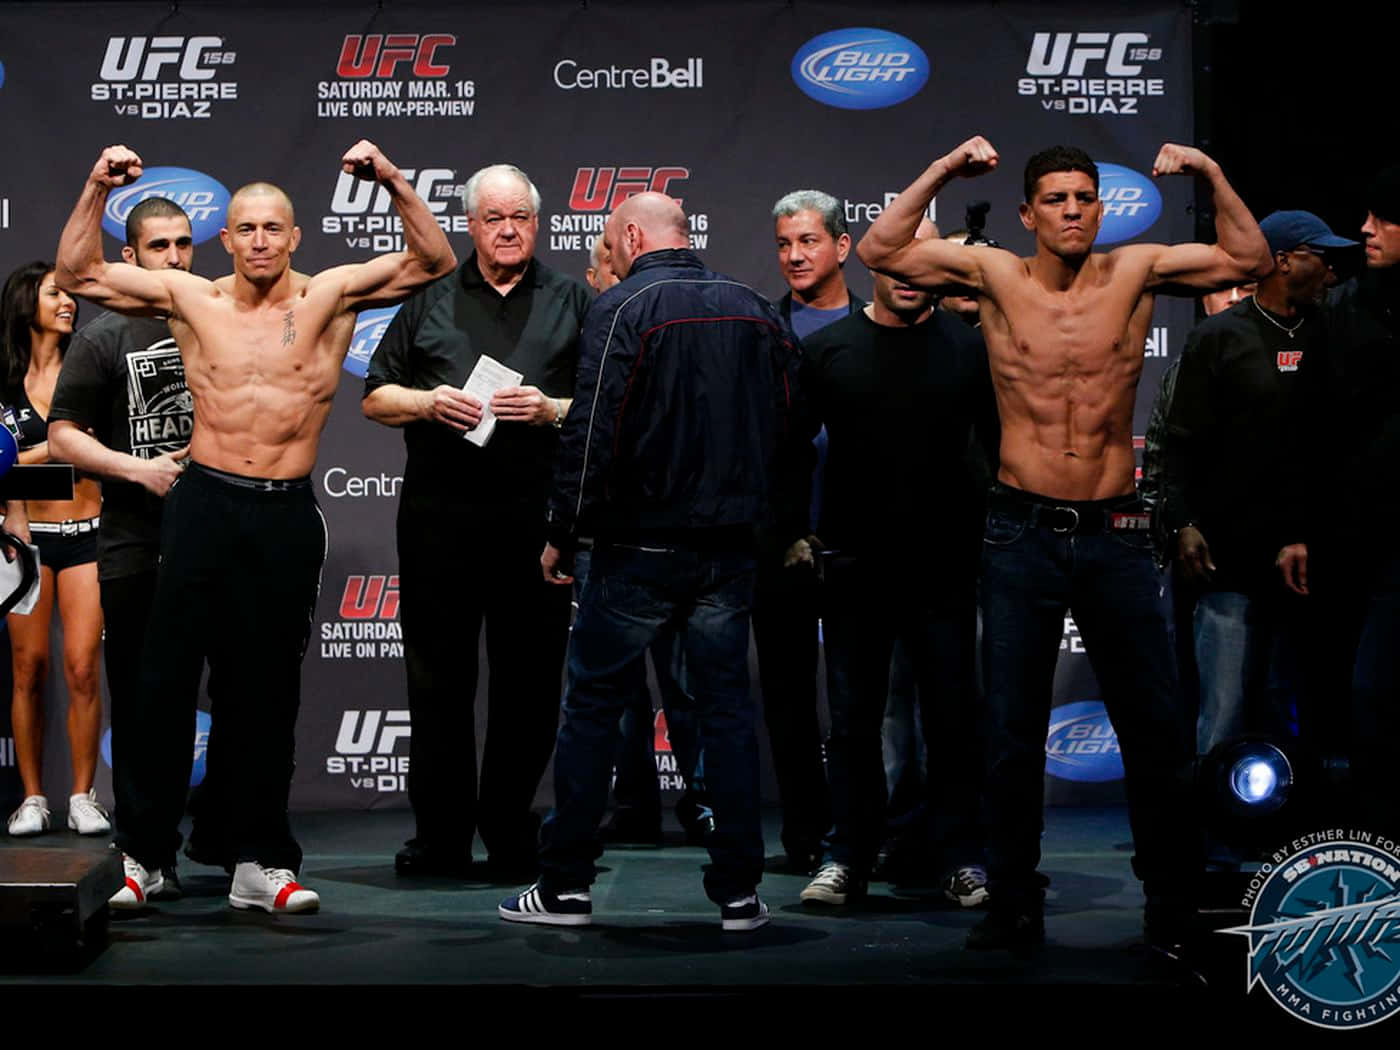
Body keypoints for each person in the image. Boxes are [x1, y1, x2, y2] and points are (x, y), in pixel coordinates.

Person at [859, 136, 1271, 951]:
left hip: (1116, 531)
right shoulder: (996, 275)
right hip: (1020, 530)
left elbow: (1246, 257)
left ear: (1101, 207)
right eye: (1056, 198)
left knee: (1152, 727)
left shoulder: (1137, 269)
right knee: (1010, 729)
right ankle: (1014, 893)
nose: (1075, 210)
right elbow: (882, 249)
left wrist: (1212, 172)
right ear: (1027, 213)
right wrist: (943, 167)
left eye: (1086, 197)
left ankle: (1169, 898)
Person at [55, 140, 456, 912]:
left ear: (295, 236)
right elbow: (81, 273)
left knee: (265, 694)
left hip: (283, 514)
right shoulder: (193, 300)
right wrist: (94, 184)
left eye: (275, 228)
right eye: (247, 229)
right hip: (203, 504)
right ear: (228, 239)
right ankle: (144, 856)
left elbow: (432, 260)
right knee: (165, 684)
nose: (262, 241)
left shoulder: (331, 295)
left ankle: (258, 861)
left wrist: (394, 179)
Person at [498, 192, 801, 930]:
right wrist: (772, 527)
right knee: (726, 715)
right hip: (730, 551)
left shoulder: (624, 307)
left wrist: (562, 532)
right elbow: (791, 435)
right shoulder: (759, 308)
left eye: (609, 240)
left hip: (637, 549)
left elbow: (593, 431)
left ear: (632, 236)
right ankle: (738, 892)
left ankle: (565, 885)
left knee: (594, 711)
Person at [363, 164, 587, 880]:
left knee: (530, 684)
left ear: (538, 222)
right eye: (494, 218)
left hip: (538, 524)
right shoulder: (427, 300)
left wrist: (549, 409)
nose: (509, 229)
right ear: (470, 225)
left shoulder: (573, 301)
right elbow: (374, 396)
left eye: (520, 216)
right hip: (440, 520)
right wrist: (430, 403)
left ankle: (510, 827)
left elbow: (610, 407)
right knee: (437, 684)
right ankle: (441, 837)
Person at [790, 218, 996, 909]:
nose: (910, 275)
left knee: (951, 718)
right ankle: (846, 855)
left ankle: (961, 857)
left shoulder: (970, 351)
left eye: (924, 262)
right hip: (855, 568)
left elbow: (998, 452)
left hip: (945, 566)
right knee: (852, 721)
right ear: (873, 264)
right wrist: (792, 531)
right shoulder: (827, 350)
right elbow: (785, 450)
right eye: (897, 262)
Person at [47, 198, 235, 901]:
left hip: (221, 542)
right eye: (159, 246)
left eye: (185, 244)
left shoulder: (219, 320)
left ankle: (222, 835)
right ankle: (144, 854)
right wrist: (138, 470)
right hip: (135, 543)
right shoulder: (103, 338)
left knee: (247, 699)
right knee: (145, 703)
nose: (175, 258)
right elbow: (63, 433)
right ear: (130, 258)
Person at [1164, 211, 1351, 759]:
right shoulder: (1219, 337)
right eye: (1323, 258)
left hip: (1310, 560)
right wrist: (1184, 521)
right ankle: (1218, 839)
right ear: (1286, 261)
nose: (1333, 275)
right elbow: (1180, 439)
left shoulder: (1332, 335)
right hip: (1230, 560)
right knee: (1222, 710)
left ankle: (1295, 835)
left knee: (1294, 708)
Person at [580, 233, 706, 846]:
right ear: (595, 275)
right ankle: (630, 801)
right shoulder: (593, 330)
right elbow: (586, 433)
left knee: (684, 680)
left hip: (672, 531)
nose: (616, 277)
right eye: (606, 270)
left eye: (619, 264)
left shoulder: (669, 329)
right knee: (618, 689)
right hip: (607, 535)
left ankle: (703, 799)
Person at [1286, 165, 1400, 839]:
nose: (1365, 229)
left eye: (1382, 218)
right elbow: (1310, 431)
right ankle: (1381, 858)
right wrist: (1300, 528)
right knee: (1369, 699)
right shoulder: (1344, 310)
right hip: (1368, 547)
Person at [759, 189, 865, 872]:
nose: (795, 255)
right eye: (784, 244)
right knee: (789, 701)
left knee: (866, 704)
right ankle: (804, 837)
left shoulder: (876, 325)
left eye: (808, 241)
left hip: (861, 542)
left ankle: (866, 832)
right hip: (780, 545)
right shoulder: (761, 328)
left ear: (842, 247)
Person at [0, 262, 106, 838]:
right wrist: (55, 451)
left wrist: (18, 464)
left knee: (84, 667)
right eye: (54, 293)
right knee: (28, 670)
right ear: (25, 304)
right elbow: (7, 471)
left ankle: (84, 795)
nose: (68, 302)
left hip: (88, 534)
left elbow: (99, 451)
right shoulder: (2, 382)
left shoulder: (88, 368)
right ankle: (34, 797)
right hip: (24, 543)